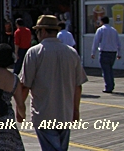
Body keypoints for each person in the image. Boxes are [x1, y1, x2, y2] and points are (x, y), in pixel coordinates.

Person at [19, 15, 88, 151]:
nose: (37, 35)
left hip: (43, 113)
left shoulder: (34, 53)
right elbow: (78, 86)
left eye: (38, 31)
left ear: (43, 31)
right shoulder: (71, 53)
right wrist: (75, 110)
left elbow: (25, 85)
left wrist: (20, 109)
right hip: (65, 113)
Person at [90, 16, 121, 93]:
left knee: (105, 70)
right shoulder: (114, 30)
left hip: (104, 52)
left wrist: (93, 52)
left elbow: (96, 41)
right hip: (113, 52)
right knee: (110, 69)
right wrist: (119, 53)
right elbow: (118, 43)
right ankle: (111, 84)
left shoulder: (100, 30)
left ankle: (108, 86)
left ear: (102, 22)